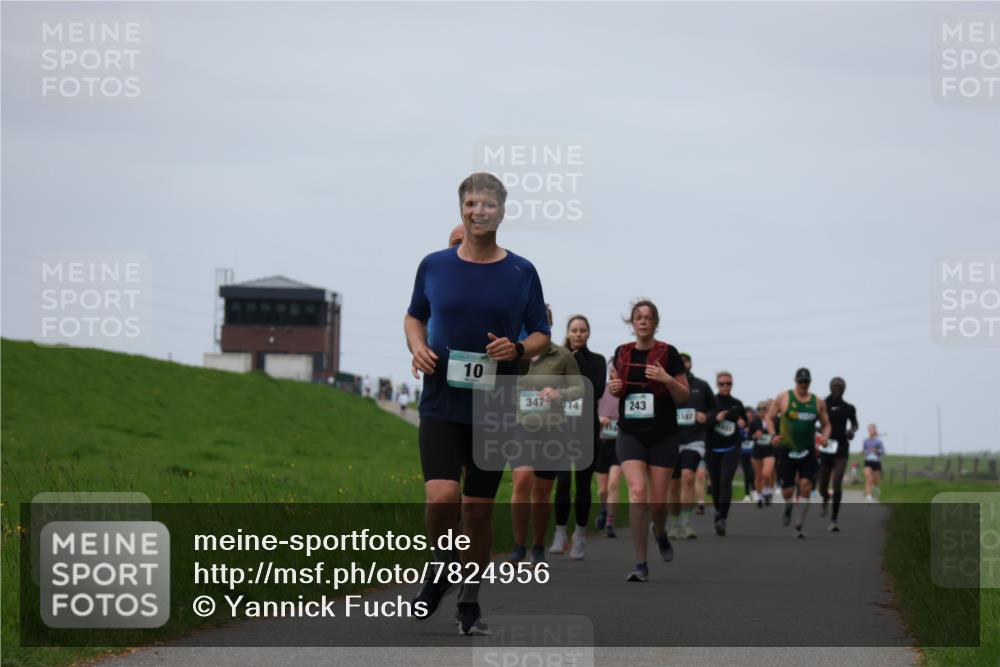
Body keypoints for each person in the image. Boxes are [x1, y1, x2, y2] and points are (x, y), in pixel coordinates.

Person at [405, 172, 551, 635]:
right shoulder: (434, 265)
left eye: (487, 204)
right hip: (441, 400)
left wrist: (519, 348)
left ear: (501, 211)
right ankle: (442, 565)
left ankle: (469, 600)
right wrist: (417, 347)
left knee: (478, 511)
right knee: (441, 497)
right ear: (461, 209)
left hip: (494, 405)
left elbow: (541, 332)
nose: (478, 211)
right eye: (470, 203)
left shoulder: (521, 271)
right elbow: (414, 317)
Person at [607, 299, 689, 581]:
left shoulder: (669, 353)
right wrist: (614, 389)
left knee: (657, 504)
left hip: (663, 434)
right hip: (631, 432)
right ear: (632, 322)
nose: (643, 321)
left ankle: (661, 531)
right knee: (638, 493)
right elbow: (615, 388)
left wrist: (666, 378)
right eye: (638, 317)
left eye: (648, 317)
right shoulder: (621, 352)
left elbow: (683, 395)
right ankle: (640, 563)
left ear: (655, 322)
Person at [507, 305, 584, 565]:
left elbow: (579, 389)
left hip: (552, 429)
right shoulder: (513, 354)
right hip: (520, 427)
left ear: (548, 325)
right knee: (522, 482)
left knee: (541, 491)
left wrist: (559, 393)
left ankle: (538, 546)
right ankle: (518, 546)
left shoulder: (562, 356)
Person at [551, 315, 605, 560]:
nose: (579, 334)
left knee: (583, 484)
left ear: (588, 334)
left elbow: (596, 389)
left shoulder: (596, 360)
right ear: (568, 332)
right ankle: (560, 532)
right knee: (563, 481)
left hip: (586, 427)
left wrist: (578, 360)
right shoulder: (556, 357)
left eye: (583, 330)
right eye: (574, 330)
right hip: (561, 426)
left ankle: (580, 534)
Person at [764, 367, 832, 539]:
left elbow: (827, 424)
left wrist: (825, 437)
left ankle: (799, 522)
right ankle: (788, 508)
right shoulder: (784, 397)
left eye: (806, 381)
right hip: (786, 449)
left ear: (810, 382)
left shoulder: (817, 402)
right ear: (795, 381)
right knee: (788, 491)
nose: (803, 384)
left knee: (805, 485)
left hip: (807, 450)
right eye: (800, 381)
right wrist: (773, 435)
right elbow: (769, 417)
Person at [666, 352, 715, 540]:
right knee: (673, 486)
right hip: (671, 441)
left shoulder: (701, 386)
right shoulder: (667, 386)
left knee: (688, 477)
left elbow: (714, 407)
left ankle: (686, 523)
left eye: (686, 361)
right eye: (680, 361)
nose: (683, 364)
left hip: (694, 440)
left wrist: (706, 416)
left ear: (691, 364)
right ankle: (675, 523)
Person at [704, 371, 746, 536]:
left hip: (731, 447)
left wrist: (742, 422)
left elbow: (744, 421)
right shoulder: (710, 402)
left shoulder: (737, 403)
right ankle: (717, 511)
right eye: (722, 384)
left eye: (729, 383)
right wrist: (716, 419)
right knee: (715, 484)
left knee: (726, 481)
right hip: (713, 448)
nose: (725, 386)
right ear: (717, 384)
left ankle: (722, 518)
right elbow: (703, 423)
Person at [818, 377, 858, 531]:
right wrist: (818, 430)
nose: (837, 389)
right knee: (822, 485)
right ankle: (825, 497)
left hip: (841, 448)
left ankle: (834, 518)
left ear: (844, 389)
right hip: (826, 448)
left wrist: (851, 431)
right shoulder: (822, 404)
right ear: (830, 387)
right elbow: (814, 421)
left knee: (837, 480)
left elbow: (855, 424)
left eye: (840, 386)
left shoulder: (848, 407)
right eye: (835, 386)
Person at [594, 359, 622, 538]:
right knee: (602, 490)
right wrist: (599, 419)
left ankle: (610, 522)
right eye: (611, 371)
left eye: (617, 371)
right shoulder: (600, 390)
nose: (614, 374)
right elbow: (589, 411)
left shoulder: (627, 391)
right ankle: (603, 509)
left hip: (620, 443)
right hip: (602, 442)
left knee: (613, 483)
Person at [750, 401, 777, 507]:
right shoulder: (754, 421)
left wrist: (775, 439)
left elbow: (779, 434)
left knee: (766, 473)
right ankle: (760, 496)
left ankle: (767, 490)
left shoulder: (774, 420)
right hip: (757, 451)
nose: (762, 411)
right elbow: (749, 436)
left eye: (764, 409)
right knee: (758, 475)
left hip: (769, 451)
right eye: (759, 409)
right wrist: (754, 436)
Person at [862, 424, 885, 502]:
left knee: (875, 480)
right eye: (870, 429)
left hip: (876, 462)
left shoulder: (879, 442)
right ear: (868, 431)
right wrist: (864, 451)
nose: (871, 431)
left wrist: (877, 451)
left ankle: (876, 487)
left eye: (873, 429)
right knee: (869, 478)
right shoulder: (865, 441)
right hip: (868, 462)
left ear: (875, 430)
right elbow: (864, 450)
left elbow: (883, 451)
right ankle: (869, 495)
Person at [739, 407, 756, 502]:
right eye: (747, 414)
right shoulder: (741, 426)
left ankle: (754, 489)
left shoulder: (754, 425)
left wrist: (752, 435)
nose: (748, 415)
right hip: (743, 453)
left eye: (750, 414)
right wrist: (744, 431)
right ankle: (747, 494)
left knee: (751, 473)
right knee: (746, 474)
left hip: (753, 453)